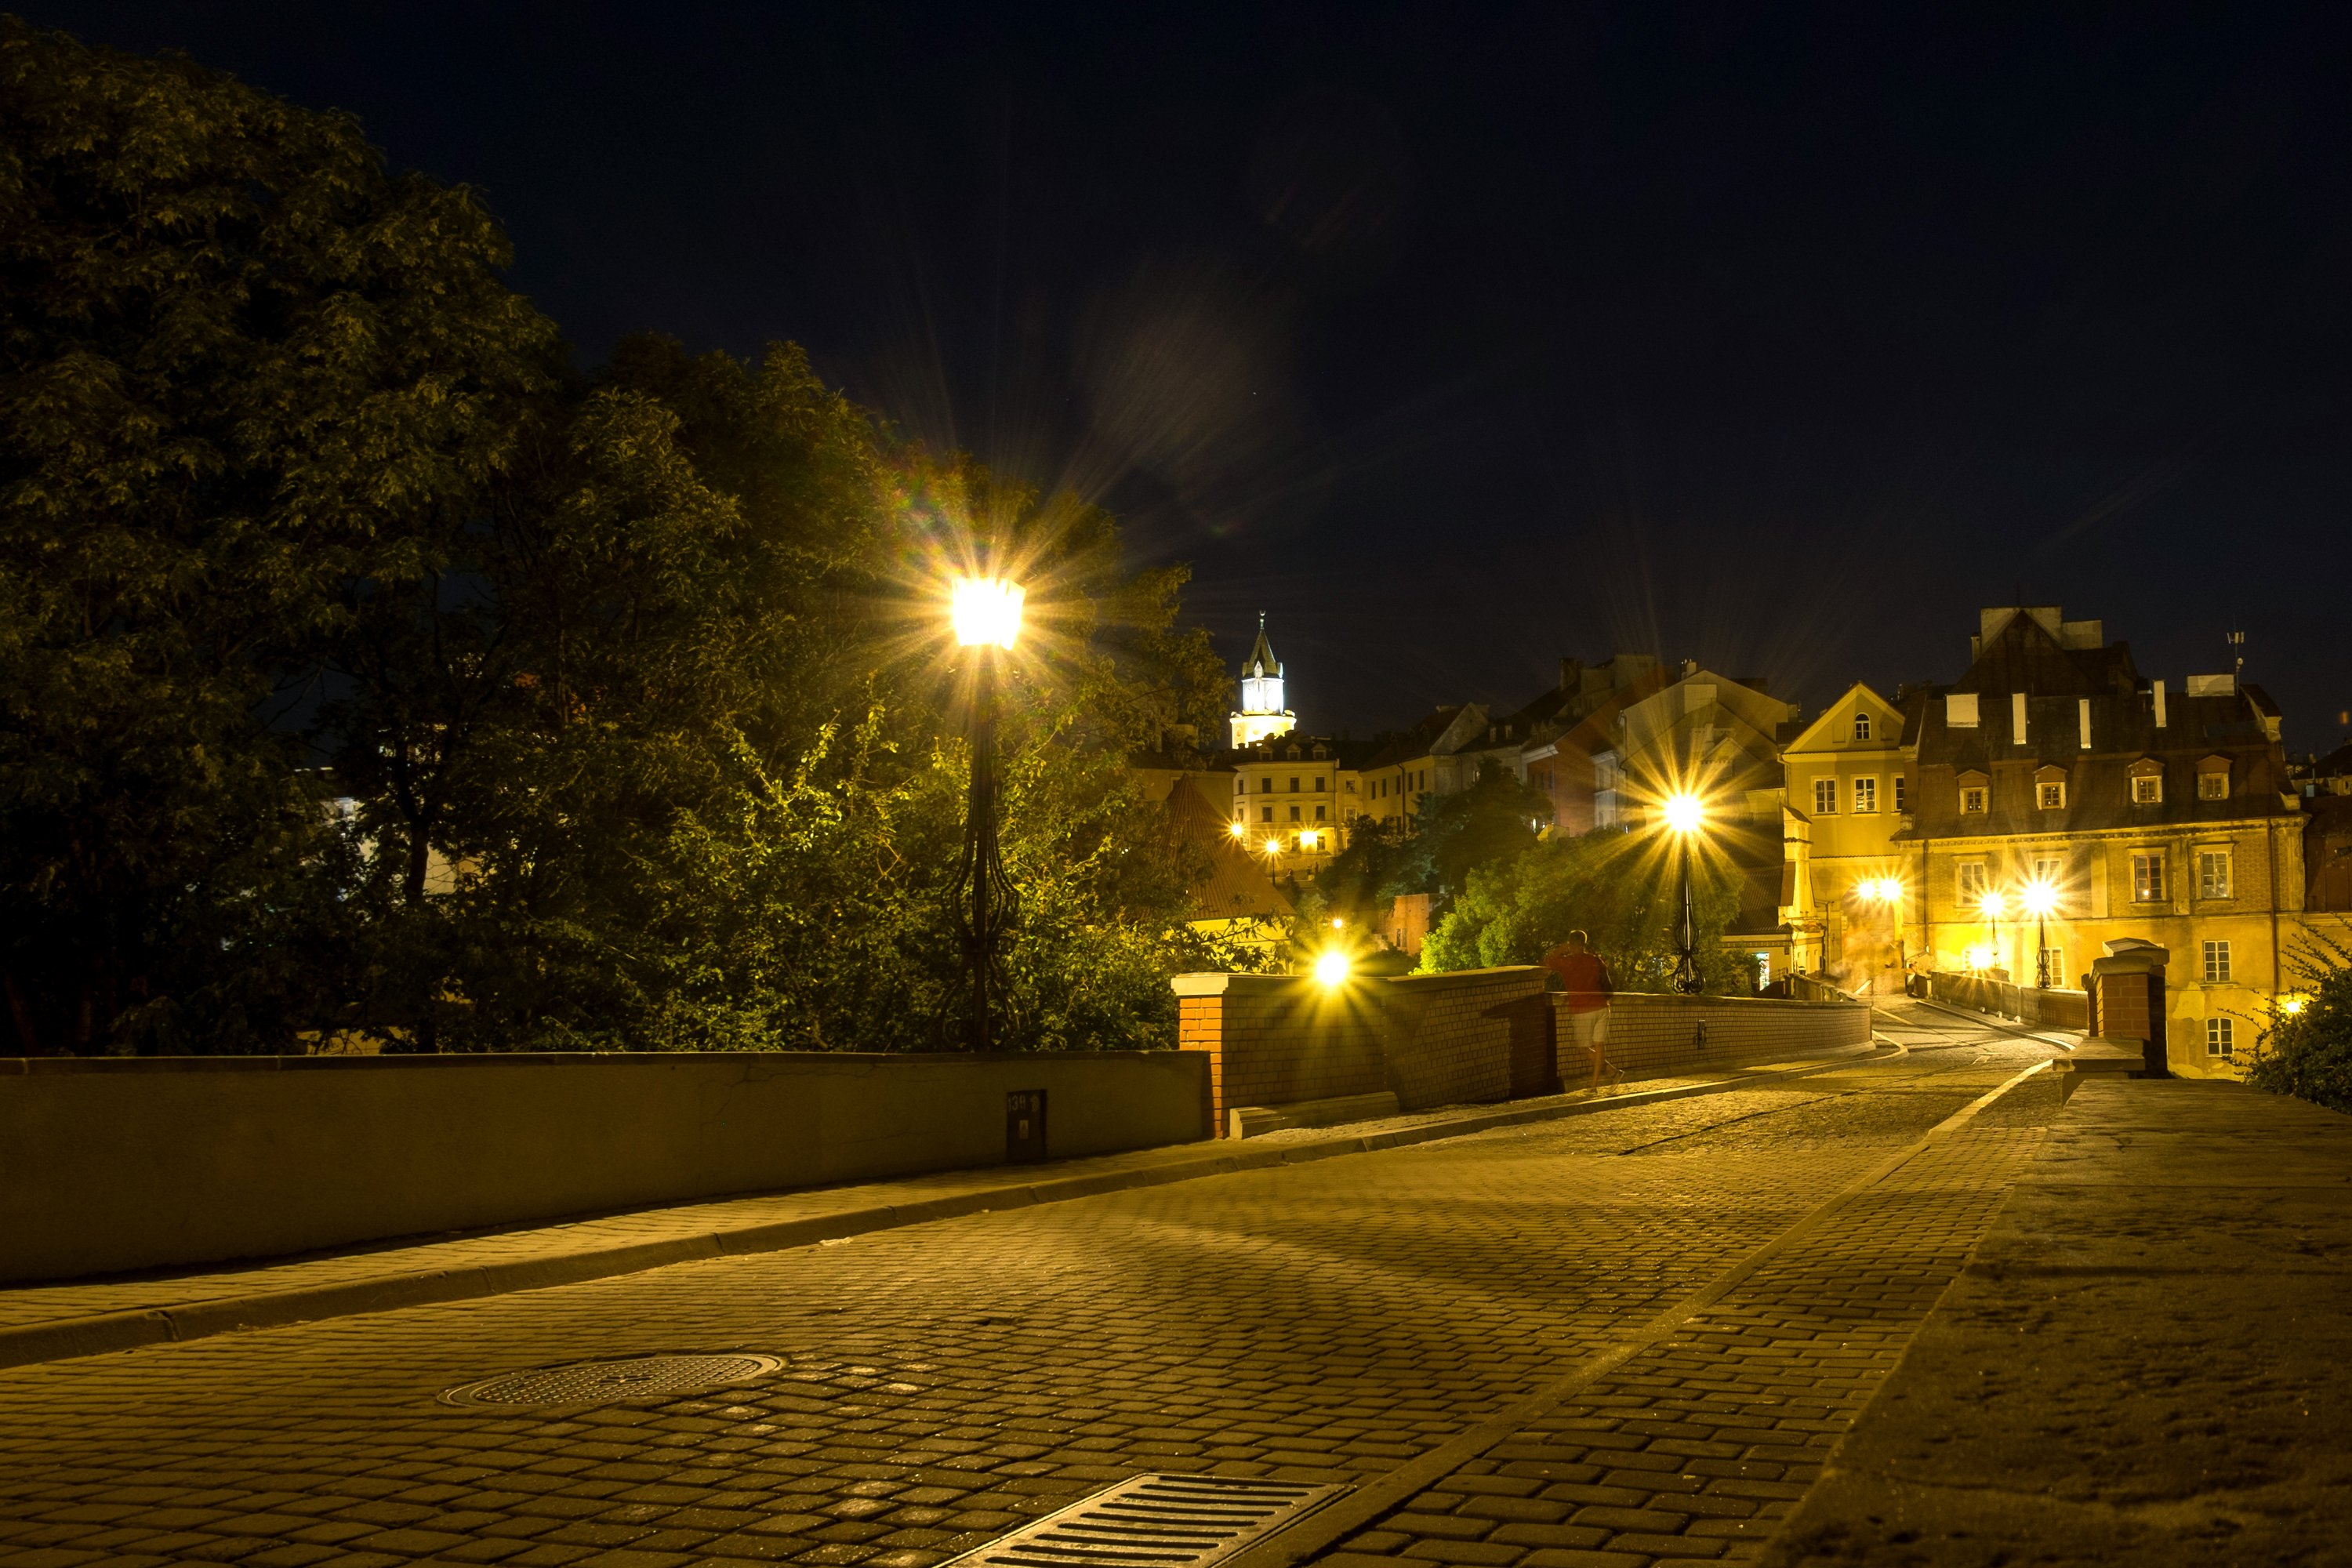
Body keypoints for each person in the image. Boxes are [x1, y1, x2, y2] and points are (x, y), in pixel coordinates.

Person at [1543, 929, 1617, 1089]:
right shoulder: (1596, 960)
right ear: (1584, 943)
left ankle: (1605, 1076)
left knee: (1584, 1048)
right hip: (1602, 1008)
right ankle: (1596, 1084)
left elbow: (1547, 962)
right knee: (1599, 1046)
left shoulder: (1567, 962)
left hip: (1582, 1009)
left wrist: (1561, 949)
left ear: (1571, 944)